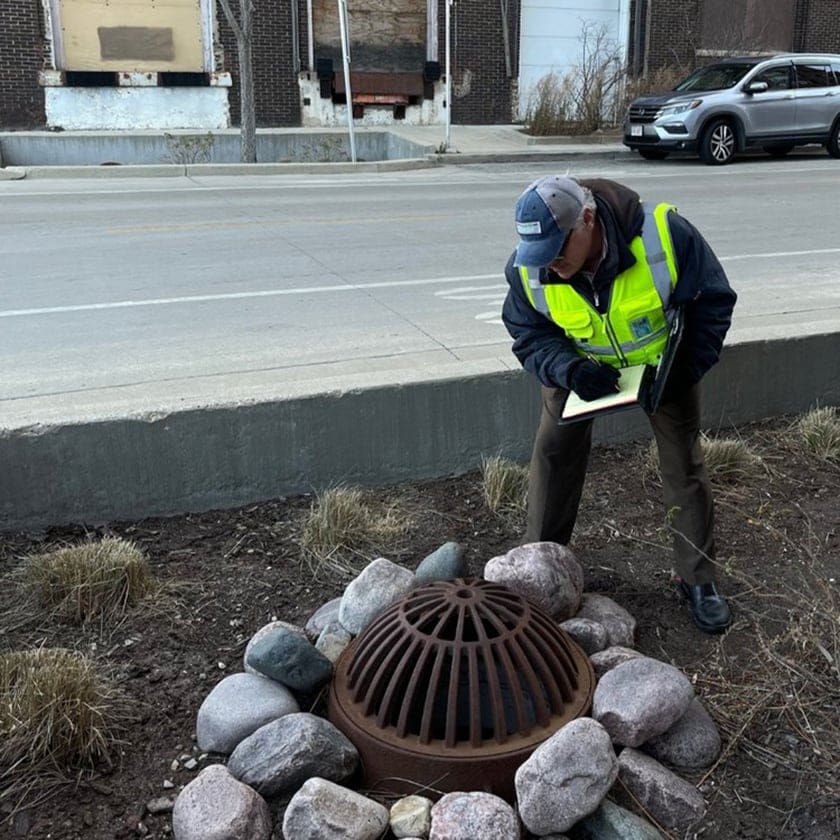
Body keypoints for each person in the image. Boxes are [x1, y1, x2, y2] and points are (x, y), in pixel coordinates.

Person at [502, 175, 737, 633]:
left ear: (587, 220)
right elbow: (528, 333)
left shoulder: (665, 234)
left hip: (663, 370)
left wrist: (679, 373)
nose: (549, 264)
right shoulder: (528, 268)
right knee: (552, 454)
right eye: (540, 253)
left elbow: (713, 302)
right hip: (580, 368)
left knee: (683, 463)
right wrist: (568, 370)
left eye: (557, 249)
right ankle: (540, 570)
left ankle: (697, 579)